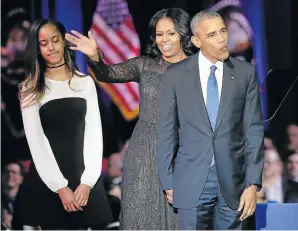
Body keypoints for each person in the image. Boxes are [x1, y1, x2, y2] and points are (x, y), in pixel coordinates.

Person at [65, 8, 195, 230]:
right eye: (159, 34)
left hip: (182, 149)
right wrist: (94, 57)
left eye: (170, 34)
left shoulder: (198, 69)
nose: (163, 40)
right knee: (140, 214)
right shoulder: (145, 65)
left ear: (183, 34)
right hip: (144, 149)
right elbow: (106, 73)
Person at [157, 10, 264, 230]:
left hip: (234, 184)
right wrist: (167, 181)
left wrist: (252, 183)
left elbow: (253, 131)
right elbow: (166, 131)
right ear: (197, 41)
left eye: (223, 31)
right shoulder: (175, 75)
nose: (222, 39)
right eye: (212, 34)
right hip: (191, 181)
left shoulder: (245, 73)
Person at [14, 19, 113, 229]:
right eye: (43, 43)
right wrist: (60, 187)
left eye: (55, 40)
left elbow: (94, 135)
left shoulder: (85, 82)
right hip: (49, 184)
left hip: (85, 182)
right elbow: (37, 142)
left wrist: (87, 182)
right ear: (37, 48)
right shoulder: (31, 88)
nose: (51, 47)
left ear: (64, 42)